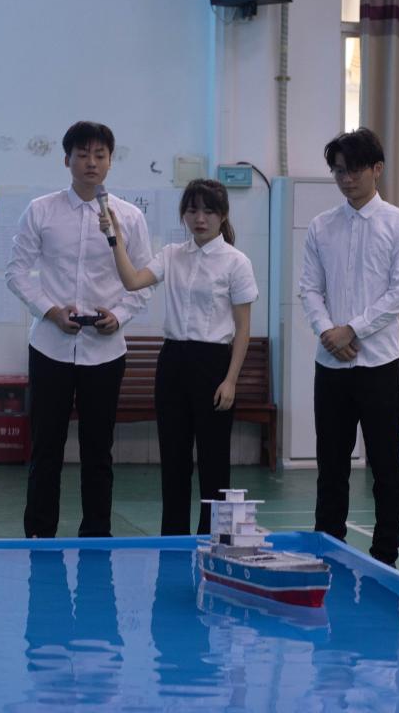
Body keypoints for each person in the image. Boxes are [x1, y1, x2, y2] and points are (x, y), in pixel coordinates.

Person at [6, 121, 152, 538]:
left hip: (105, 352)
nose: (91, 162)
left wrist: (118, 316)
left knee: (98, 450)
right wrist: (51, 311)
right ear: (66, 159)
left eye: (100, 155)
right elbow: (16, 272)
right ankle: (39, 534)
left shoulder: (129, 217)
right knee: (45, 448)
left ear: (110, 161)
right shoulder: (41, 211)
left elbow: (143, 281)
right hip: (50, 346)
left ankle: (97, 535)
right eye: (83, 154)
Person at [101, 178, 258, 535]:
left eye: (208, 211)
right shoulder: (171, 254)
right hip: (172, 362)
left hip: (214, 364)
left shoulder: (236, 262)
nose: (199, 218)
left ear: (223, 215)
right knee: (173, 458)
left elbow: (243, 329)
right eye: (192, 210)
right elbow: (132, 281)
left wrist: (231, 380)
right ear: (183, 214)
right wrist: (116, 239)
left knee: (214, 460)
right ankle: (172, 538)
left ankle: (215, 538)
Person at [298, 127, 399, 567]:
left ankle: (385, 558)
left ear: (377, 169)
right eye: (338, 171)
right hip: (330, 365)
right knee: (331, 467)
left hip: (379, 365)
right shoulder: (321, 226)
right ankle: (327, 551)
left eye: (354, 170)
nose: (346, 179)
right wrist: (328, 332)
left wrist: (352, 330)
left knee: (386, 467)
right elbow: (309, 289)